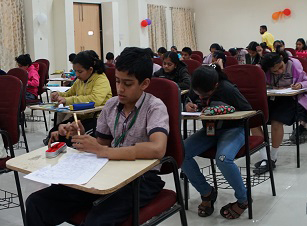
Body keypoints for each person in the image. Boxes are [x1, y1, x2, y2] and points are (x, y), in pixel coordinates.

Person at [28, 47, 169, 226]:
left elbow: (157, 149)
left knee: (96, 221)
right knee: (36, 203)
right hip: (107, 170)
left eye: (128, 83)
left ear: (145, 84)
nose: (120, 89)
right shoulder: (111, 106)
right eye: (117, 81)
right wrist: (79, 134)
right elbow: (101, 143)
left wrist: (103, 151)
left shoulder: (154, 107)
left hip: (141, 179)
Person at [182, 64, 254, 220]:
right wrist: (189, 104)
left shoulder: (228, 89)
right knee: (180, 153)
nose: (200, 97)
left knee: (223, 159)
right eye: (197, 93)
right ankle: (206, 192)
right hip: (210, 131)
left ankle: (243, 199)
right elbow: (189, 99)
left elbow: (249, 111)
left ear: (215, 85)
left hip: (233, 130)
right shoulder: (198, 87)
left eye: (204, 94)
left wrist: (224, 111)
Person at [255, 51, 307, 175]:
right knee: (253, 120)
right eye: (275, 72)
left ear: (282, 59)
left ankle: (272, 156)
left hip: (291, 99)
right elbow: (257, 86)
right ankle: (265, 157)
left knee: (277, 121)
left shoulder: (294, 65)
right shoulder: (261, 70)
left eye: (281, 67)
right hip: (270, 98)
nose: (280, 72)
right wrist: (270, 87)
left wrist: (301, 84)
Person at [46, 50, 112, 145]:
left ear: (90, 70)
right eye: (75, 71)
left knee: (69, 139)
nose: (77, 74)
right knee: (55, 132)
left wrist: (67, 100)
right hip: (81, 117)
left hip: (97, 119)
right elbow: (69, 93)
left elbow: (95, 100)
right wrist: (58, 94)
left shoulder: (101, 79)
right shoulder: (80, 80)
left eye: (80, 71)